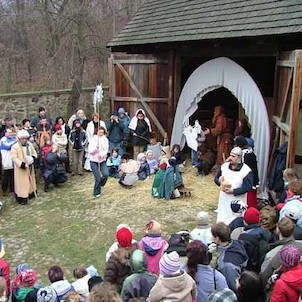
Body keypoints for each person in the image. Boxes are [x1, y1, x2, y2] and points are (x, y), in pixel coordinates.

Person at [214, 147, 253, 223]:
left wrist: (233, 191)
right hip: (224, 199)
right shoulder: (224, 167)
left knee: (235, 222)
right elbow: (216, 179)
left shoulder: (246, 171)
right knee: (222, 219)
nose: (230, 158)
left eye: (233, 156)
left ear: (239, 157)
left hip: (237, 201)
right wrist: (219, 181)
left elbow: (248, 187)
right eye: (230, 155)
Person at [260, 217, 302, 286]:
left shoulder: (272, 254)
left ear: (278, 230)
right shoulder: (300, 245)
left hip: (279, 287)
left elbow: (264, 277)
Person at [211, 222, 248, 291]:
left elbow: (233, 287)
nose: (211, 237)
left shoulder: (226, 265)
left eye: (213, 236)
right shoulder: (236, 243)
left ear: (217, 239)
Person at [104, 227, 137, 293]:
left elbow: (107, 282)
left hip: (122, 293)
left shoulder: (113, 260)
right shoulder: (138, 253)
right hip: (137, 290)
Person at [237, 207, 271, 272]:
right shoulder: (267, 232)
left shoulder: (243, 237)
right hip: (261, 265)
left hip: (249, 267)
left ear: (245, 221)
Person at [11, 129, 37, 205]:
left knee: (30, 179)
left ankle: (31, 192)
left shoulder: (30, 145)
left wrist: (32, 158)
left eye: (25, 138)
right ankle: (22, 197)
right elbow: (14, 157)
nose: (24, 140)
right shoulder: (15, 147)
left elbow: (34, 153)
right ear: (19, 139)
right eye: (22, 139)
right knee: (22, 183)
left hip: (29, 166)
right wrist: (21, 164)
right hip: (21, 169)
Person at [234, 136, 259, 208]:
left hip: (247, 179)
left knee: (248, 199)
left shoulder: (244, 155)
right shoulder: (251, 153)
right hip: (253, 178)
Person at [88, 127, 109, 198]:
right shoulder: (93, 139)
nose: (100, 134)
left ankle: (101, 183)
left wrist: (102, 155)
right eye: (99, 132)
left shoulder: (105, 140)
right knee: (97, 177)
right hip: (93, 160)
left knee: (106, 174)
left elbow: (106, 150)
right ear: (97, 132)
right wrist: (95, 148)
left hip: (102, 160)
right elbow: (90, 151)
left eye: (102, 133)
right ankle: (96, 192)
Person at [0, 128, 16, 196]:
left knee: (13, 175)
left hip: (12, 160)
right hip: (6, 160)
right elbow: (7, 147)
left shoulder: (12, 139)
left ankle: (12, 189)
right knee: (6, 176)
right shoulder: (3, 140)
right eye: (9, 132)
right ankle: (4, 190)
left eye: (11, 132)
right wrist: (16, 141)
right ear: (5, 133)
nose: (10, 134)